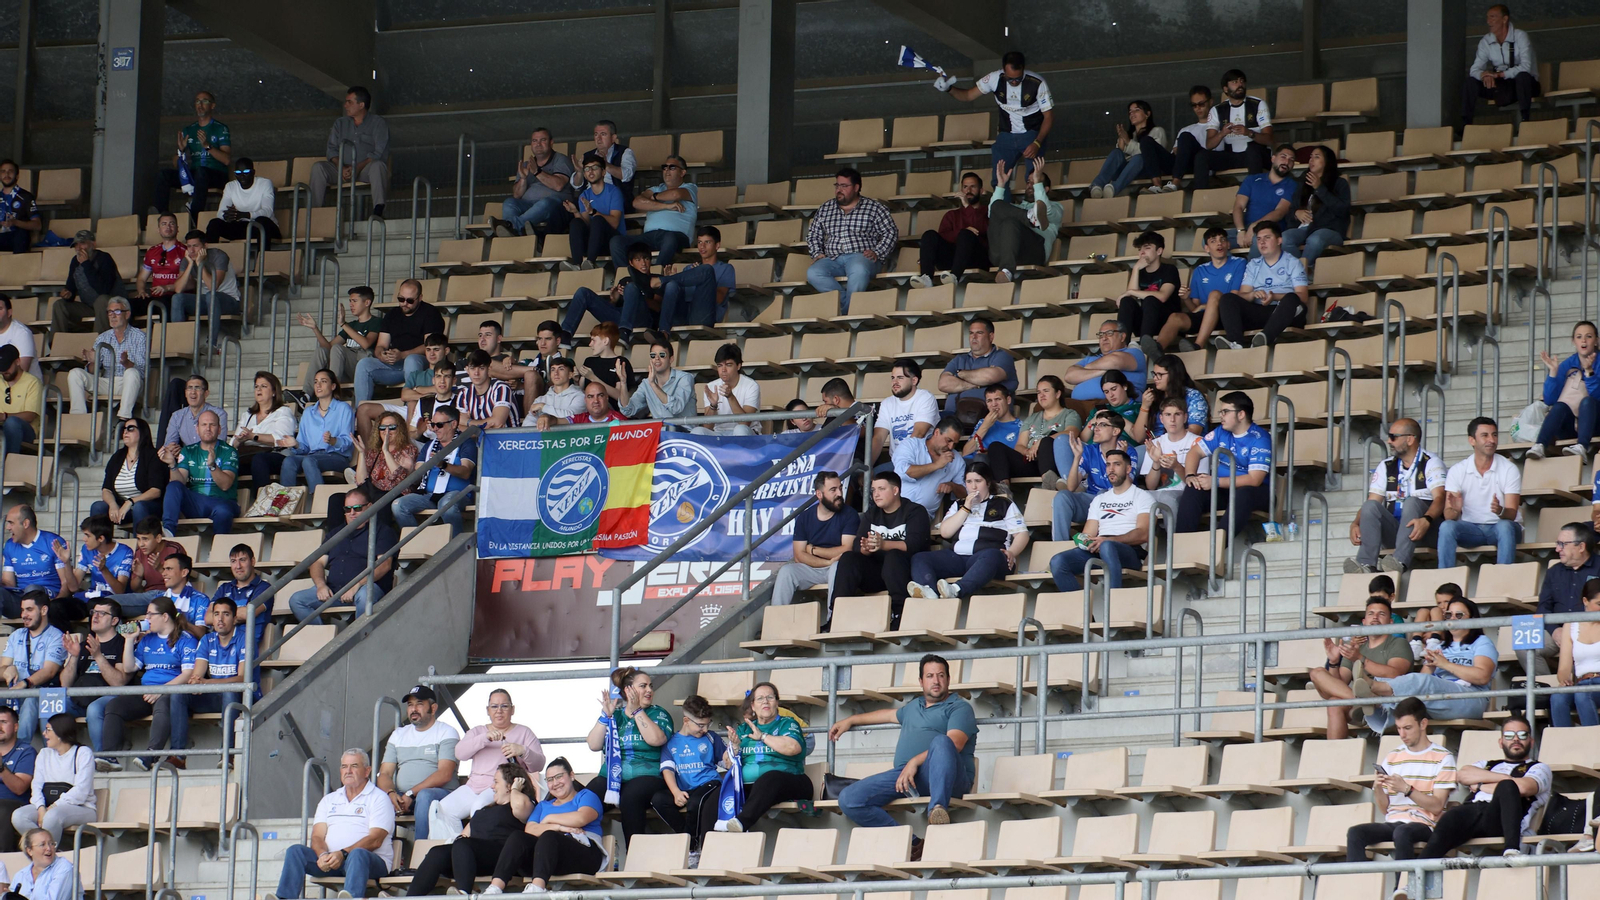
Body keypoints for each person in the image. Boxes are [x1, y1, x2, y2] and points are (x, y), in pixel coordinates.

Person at [832, 654, 977, 842]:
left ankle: (938, 810)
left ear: (948, 680)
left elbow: (954, 743)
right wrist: (851, 720)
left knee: (942, 742)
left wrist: (914, 761)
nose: (936, 681)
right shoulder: (913, 707)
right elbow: (886, 715)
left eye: (941, 675)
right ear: (921, 681)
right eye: (930, 676)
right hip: (906, 776)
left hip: (948, 777)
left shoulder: (959, 708)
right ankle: (911, 843)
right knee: (849, 799)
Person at [1413, 715, 1550, 896]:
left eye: (1522, 734)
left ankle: (1512, 851)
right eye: (1509, 735)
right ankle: (1416, 883)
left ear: (1531, 741)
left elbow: (1524, 787)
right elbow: (1462, 775)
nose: (1515, 739)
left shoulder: (1538, 767)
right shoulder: (1487, 764)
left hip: (1501, 820)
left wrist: (1482, 785)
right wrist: (1506, 779)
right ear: (1501, 742)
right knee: (1450, 817)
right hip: (1473, 812)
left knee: (1508, 787)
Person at [1344, 697, 1455, 869]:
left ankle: (1403, 889)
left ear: (1423, 724)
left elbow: (1436, 807)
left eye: (1408, 728)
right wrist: (1378, 788)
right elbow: (1384, 809)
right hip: (1394, 821)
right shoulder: (1393, 757)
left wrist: (1407, 789)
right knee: (1355, 833)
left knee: (1402, 832)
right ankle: (1358, 887)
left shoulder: (1443, 757)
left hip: (1426, 824)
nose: (1402, 734)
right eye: (1399, 728)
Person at [1360, 597, 1497, 736]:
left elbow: (1482, 676)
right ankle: (1377, 705)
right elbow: (1422, 679)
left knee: (1420, 684)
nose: (1453, 619)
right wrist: (1431, 666)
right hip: (1439, 699)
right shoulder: (1441, 646)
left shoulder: (1482, 642)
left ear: (1472, 618)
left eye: (1459, 615)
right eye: (1449, 615)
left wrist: (1446, 664)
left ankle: (1375, 689)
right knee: (1412, 702)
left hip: (1471, 697)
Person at [273, 748, 395, 899]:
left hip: (369, 863)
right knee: (295, 851)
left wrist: (343, 854)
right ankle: (284, 898)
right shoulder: (329, 799)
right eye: (344, 766)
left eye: (354, 766)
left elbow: (375, 840)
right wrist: (323, 855)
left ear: (367, 771)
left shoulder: (379, 798)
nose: (348, 771)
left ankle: (351, 897)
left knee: (357, 854)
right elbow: (317, 836)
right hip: (333, 861)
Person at [98, 597, 198, 768]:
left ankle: (151, 755)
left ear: (165, 616)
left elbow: (188, 674)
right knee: (114, 706)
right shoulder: (147, 639)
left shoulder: (186, 639)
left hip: (172, 691)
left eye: (151, 615)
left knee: (163, 704)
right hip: (147, 690)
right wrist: (129, 640)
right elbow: (129, 668)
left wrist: (162, 690)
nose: (147, 619)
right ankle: (109, 756)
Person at [404, 763, 532, 896]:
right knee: (437, 852)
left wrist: (516, 789)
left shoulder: (522, 804)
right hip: (471, 856)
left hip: (502, 857)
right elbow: (464, 835)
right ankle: (410, 898)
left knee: (464, 844)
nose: (492, 786)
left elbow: (520, 807)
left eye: (496, 782)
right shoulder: (486, 809)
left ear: (510, 785)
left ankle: (464, 894)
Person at [430, 689, 542, 840]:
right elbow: (459, 754)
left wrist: (523, 750)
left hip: (501, 788)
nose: (499, 711)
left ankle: (474, 850)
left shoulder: (524, 732)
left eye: (504, 706)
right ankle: (453, 847)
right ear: (488, 710)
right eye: (494, 706)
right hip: (473, 786)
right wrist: (484, 738)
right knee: (441, 810)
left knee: (479, 807)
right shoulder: (478, 731)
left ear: (512, 709)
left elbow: (539, 764)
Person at [482, 758, 607, 893]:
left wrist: (549, 819)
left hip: (584, 854)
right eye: (550, 780)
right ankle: (495, 888)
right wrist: (557, 827)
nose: (555, 783)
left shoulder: (585, 796)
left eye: (559, 777)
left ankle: (537, 889)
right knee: (518, 837)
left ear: (571, 776)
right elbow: (530, 829)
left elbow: (581, 818)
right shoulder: (543, 805)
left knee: (549, 836)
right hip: (548, 858)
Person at [908, 463, 1027, 600]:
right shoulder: (959, 504)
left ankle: (957, 590)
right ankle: (931, 593)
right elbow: (945, 532)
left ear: (988, 483)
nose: (973, 487)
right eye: (969, 482)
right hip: (958, 557)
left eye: (978, 481)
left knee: (992, 554)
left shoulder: (1004, 504)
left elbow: (1022, 534)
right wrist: (966, 507)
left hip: (990, 558)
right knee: (920, 558)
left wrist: (1012, 552)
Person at [584, 667, 672, 846]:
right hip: (612, 776)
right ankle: (581, 847)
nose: (649, 690)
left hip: (647, 776)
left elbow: (656, 739)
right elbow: (593, 744)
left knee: (630, 796)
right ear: (628, 690)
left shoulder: (658, 713)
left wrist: (637, 711)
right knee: (588, 795)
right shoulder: (615, 715)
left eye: (650, 686)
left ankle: (634, 855)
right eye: (643, 686)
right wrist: (605, 716)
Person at [1345, 418, 1444, 575]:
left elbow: (1440, 499)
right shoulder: (1386, 466)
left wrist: (1426, 520)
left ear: (1410, 439)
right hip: (1397, 533)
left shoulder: (1431, 462)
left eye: (1393, 437)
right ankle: (1366, 565)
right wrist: (1355, 523)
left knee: (1412, 502)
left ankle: (1399, 561)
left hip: (1426, 531)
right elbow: (1372, 501)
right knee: (1370, 506)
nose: (1388, 441)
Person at [160, 595, 250, 768]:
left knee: (230, 692)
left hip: (238, 698)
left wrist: (207, 684)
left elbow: (242, 678)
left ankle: (228, 754)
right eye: (216, 614)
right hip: (213, 696)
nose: (220, 619)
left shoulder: (243, 638)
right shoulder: (207, 640)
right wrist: (195, 682)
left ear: (234, 618)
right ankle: (178, 756)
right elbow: (198, 673)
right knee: (179, 695)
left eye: (226, 614)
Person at [1308, 597, 1416, 741]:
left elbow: (1395, 674)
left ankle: (1363, 701)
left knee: (1334, 700)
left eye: (1381, 614)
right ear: (1364, 622)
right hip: (1361, 707)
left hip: (1387, 704)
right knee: (1318, 675)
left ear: (1391, 622)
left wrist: (1360, 658)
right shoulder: (1355, 648)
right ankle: (1334, 755)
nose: (1375, 618)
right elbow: (1340, 682)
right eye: (1371, 614)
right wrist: (1334, 662)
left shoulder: (1398, 643)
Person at [832, 472, 931, 628]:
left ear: (895, 490)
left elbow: (915, 544)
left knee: (893, 556)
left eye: (881, 489)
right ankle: (837, 615)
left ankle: (900, 613)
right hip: (877, 575)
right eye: (873, 490)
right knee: (848, 557)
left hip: (906, 573)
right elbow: (858, 544)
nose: (875, 494)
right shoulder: (871, 514)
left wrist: (884, 544)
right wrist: (866, 548)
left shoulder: (914, 511)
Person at [288, 485, 396, 623]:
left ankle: (360, 639)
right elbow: (318, 562)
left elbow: (384, 565)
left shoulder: (382, 531)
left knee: (365, 596)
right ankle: (327, 641)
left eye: (357, 508)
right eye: (347, 509)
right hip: (334, 590)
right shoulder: (335, 533)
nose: (352, 513)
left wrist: (356, 586)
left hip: (364, 588)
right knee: (297, 600)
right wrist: (321, 585)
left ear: (369, 507)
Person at [1050, 448, 1152, 592]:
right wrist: (1085, 540)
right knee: (1058, 561)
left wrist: (1109, 540)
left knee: (1107, 546)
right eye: (1108, 465)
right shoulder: (1099, 499)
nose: (1111, 469)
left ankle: (1113, 607)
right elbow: (1088, 533)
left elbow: (1143, 534)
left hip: (1129, 552)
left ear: (1128, 469)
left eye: (1116, 464)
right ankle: (1082, 613)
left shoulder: (1142, 496)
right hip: (1100, 549)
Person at [721, 681, 812, 833]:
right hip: (750, 786)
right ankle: (704, 847)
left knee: (770, 778)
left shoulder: (787, 723)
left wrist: (762, 736)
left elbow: (793, 747)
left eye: (770, 697)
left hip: (790, 781)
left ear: (777, 702)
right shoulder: (744, 728)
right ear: (752, 705)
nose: (765, 701)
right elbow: (728, 764)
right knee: (718, 791)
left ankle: (742, 823)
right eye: (760, 698)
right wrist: (734, 746)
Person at [939, 51, 1053, 171]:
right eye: (1010, 78)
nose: (1014, 82)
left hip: (1031, 134)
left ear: (1023, 69)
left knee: (1033, 177)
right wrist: (948, 88)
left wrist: (1037, 142)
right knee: (998, 180)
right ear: (1003, 70)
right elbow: (967, 95)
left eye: (1018, 78)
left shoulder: (1037, 82)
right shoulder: (994, 78)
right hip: (1005, 135)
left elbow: (1049, 116)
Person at [1177, 391, 1271, 535]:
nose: (1221, 416)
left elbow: (1254, 480)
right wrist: (1190, 475)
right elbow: (1194, 452)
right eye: (1221, 411)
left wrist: (1215, 481)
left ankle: (1217, 547)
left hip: (1256, 493)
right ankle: (1182, 546)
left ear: (1241, 414)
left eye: (1225, 412)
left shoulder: (1260, 438)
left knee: (1243, 494)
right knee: (1193, 488)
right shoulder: (1221, 431)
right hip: (1224, 490)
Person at [805, 168, 898, 314]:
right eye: (837, 185)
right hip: (833, 258)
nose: (839, 190)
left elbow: (891, 232)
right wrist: (817, 252)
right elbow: (813, 234)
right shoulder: (826, 208)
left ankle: (847, 314)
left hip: (861, 257)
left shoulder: (874, 208)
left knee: (858, 270)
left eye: (844, 186)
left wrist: (878, 252)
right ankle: (849, 309)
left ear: (856, 187)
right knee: (813, 272)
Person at [378, 685, 460, 841]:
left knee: (424, 796)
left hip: (440, 795)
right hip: (403, 796)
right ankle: (383, 858)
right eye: (410, 705)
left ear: (433, 708)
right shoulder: (398, 734)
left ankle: (420, 856)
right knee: (376, 799)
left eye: (419, 704)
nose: (413, 709)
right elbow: (385, 774)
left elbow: (444, 774)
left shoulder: (446, 732)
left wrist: (411, 793)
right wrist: (391, 793)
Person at [1438, 417, 1522, 567]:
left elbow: (1512, 514)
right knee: (1447, 527)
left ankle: (1503, 580)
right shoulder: (1457, 470)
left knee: (1505, 526)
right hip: (1471, 529)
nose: (1491, 440)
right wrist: (1455, 510)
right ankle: (1445, 581)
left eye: (1494, 435)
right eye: (1485, 435)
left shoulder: (1509, 469)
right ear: (1472, 440)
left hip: (1501, 527)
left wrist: (1500, 510)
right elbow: (1448, 515)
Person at [1213, 221, 1310, 350]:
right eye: (1258, 239)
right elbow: (1243, 295)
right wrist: (1252, 295)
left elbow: (1303, 297)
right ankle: (1236, 343)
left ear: (1279, 240)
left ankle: (1264, 338)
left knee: (1292, 298)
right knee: (1227, 298)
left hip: (1284, 312)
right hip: (1260, 311)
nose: (1262, 242)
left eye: (1267, 238)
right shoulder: (1253, 264)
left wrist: (1275, 296)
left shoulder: (1293, 262)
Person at [770, 471, 858, 607]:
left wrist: (813, 550)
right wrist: (827, 562)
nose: (839, 494)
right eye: (833, 490)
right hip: (815, 568)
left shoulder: (850, 514)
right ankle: (775, 622)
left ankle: (832, 620)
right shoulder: (805, 517)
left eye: (840, 488)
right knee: (786, 572)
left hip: (839, 567)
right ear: (819, 494)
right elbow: (799, 555)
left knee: (837, 567)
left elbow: (847, 549)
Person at [655, 695, 726, 861]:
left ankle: (691, 849)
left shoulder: (711, 738)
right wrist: (675, 792)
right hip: (685, 789)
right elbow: (667, 770)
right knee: (658, 800)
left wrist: (734, 750)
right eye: (700, 725)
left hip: (709, 783)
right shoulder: (671, 741)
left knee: (696, 803)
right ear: (686, 720)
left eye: (708, 724)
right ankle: (690, 840)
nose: (705, 729)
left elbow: (726, 762)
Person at [354, 279, 446, 404]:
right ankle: (361, 411)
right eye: (401, 299)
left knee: (411, 359)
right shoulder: (392, 315)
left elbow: (431, 346)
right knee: (364, 364)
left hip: (422, 364)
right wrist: (383, 355)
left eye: (410, 300)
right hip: (395, 365)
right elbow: (381, 345)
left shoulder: (430, 313)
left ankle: (412, 409)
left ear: (420, 298)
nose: (404, 303)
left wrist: (403, 354)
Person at [60, 600, 126, 770]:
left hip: (109, 699)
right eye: (94, 612)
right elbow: (65, 684)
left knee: (94, 709)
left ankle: (105, 758)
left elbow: (119, 683)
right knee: (54, 702)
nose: (95, 616)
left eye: (102, 613)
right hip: (79, 699)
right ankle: (57, 758)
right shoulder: (83, 645)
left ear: (114, 621)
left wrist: (98, 656)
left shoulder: (123, 644)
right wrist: (73, 656)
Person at [8, 715, 93, 844]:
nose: (44, 733)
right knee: (19, 816)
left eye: (48, 729)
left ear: (60, 731)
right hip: (47, 805)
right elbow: (36, 786)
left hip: (82, 807)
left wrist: (52, 807)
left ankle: (50, 856)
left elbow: (81, 791)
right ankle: (48, 849)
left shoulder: (83, 753)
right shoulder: (44, 753)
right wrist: (41, 808)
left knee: (52, 817)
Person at [153, 91, 231, 230]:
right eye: (197, 101)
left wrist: (207, 146)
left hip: (216, 174)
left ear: (212, 106)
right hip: (196, 174)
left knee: (201, 172)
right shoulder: (189, 129)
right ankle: (163, 217)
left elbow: (226, 160)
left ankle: (195, 216)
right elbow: (175, 162)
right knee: (164, 175)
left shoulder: (220, 128)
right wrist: (181, 151)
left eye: (204, 101)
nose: (200, 105)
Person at [393, 407, 475, 536]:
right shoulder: (429, 445)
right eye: (432, 424)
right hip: (429, 495)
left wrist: (443, 465)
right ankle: (418, 544)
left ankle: (455, 547)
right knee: (398, 505)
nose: (435, 428)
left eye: (439, 425)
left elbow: (466, 472)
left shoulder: (466, 443)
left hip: (458, 495)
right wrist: (410, 468)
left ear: (453, 424)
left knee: (447, 504)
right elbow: (418, 476)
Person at [310, 86, 390, 217]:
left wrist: (357, 167)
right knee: (318, 167)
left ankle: (378, 209)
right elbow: (331, 149)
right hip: (341, 170)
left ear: (361, 105)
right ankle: (313, 212)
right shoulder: (339, 123)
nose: (345, 105)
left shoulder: (378, 123)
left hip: (365, 170)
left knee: (378, 166)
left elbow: (379, 153)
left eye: (350, 102)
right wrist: (340, 166)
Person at [986, 375, 1079, 487]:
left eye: (1046, 391)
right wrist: (1028, 451)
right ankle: (1003, 488)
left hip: (1054, 462)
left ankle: (1048, 483)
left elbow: (1071, 433)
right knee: (995, 446)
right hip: (1031, 462)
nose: (1041, 395)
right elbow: (1019, 445)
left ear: (1057, 394)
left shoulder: (1070, 414)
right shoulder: (1032, 418)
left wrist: (1040, 442)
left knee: (1047, 441)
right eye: (1039, 392)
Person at [1051, 410, 1132, 538]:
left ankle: (1098, 541)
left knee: (1103, 494)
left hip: (1121, 505)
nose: (1096, 429)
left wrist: (1120, 459)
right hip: (1092, 501)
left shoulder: (1128, 451)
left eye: (1102, 425)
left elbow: (1125, 488)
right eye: (1096, 425)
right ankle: (1059, 546)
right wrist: (1077, 457)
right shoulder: (1089, 450)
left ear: (1115, 431)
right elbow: (1071, 487)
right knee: (1062, 497)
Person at [158, 409, 239, 535]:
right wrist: (172, 465)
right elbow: (180, 482)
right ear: (197, 429)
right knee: (173, 485)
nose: (208, 428)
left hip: (221, 501)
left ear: (219, 429)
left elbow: (225, 485)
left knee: (224, 511)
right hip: (195, 502)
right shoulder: (188, 451)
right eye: (204, 425)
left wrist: (212, 466)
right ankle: (168, 532)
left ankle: (219, 549)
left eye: (212, 425)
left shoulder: (229, 451)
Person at [1529, 320, 1600, 462]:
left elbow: (1597, 396)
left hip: (1596, 424)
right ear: (1573, 341)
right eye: (1579, 337)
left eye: (1589, 336)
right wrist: (1553, 373)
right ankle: (1540, 445)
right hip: (1571, 427)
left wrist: (1589, 372)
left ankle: (1581, 447)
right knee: (1560, 406)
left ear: (1596, 341)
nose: (1584, 340)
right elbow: (1549, 400)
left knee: (1588, 401)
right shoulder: (1567, 364)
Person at [66, 296, 145, 419]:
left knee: (132, 373)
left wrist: (126, 363)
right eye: (110, 312)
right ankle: (78, 417)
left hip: (128, 382)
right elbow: (93, 371)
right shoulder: (102, 338)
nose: (113, 316)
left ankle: (123, 418)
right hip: (106, 382)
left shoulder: (139, 336)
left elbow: (142, 371)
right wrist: (93, 361)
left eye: (117, 311)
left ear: (127, 314)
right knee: (75, 373)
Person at [562, 242, 660, 341]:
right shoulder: (625, 280)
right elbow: (614, 310)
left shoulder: (657, 280)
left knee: (631, 288)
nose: (643, 263)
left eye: (646, 259)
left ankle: (624, 331)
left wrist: (636, 296)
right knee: (583, 292)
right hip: (621, 318)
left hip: (643, 318)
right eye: (638, 260)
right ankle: (565, 335)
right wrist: (614, 300)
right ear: (631, 263)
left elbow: (658, 307)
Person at [0, 593, 63, 743]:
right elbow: (2, 668)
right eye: (22, 610)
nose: (24, 615)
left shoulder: (55, 636)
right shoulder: (16, 635)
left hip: (41, 695)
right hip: (14, 693)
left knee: (31, 698)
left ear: (43, 610)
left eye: (29, 610)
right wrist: (7, 670)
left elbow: (50, 671)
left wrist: (25, 684)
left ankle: (19, 750)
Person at [1536, 522, 1600, 671]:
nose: (1557, 549)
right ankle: (1544, 690)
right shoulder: (1554, 571)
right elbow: (1543, 607)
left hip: (1592, 631)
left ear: (1581, 547)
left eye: (1562, 544)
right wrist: (1554, 631)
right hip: (1558, 631)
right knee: (1527, 648)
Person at [613, 155, 696, 268]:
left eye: (672, 167)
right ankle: (627, 278)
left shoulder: (690, 187)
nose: (667, 170)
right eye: (664, 167)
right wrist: (666, 206)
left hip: (676, 236)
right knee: (617, 241)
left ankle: (656, 274)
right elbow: (636, 202)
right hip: (649, 236)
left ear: (682, 172)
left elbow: (675, 194)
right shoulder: (656, 188)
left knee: (669, 238)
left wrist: (654, 197)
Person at [987, 158, 1061, 284]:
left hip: (1033, 253)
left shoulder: (1056, 207)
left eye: (1036, 182)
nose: (1030, 185)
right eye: (1028, 182)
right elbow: (992, 213)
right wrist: (1000, 185)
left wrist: (1037, 183)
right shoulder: (1015, 209)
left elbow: (1045, 208)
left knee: (1010, 222)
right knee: (996, 206)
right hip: (1002, 253)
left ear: (1046, 189)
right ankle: (1029, 218)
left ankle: (1006, 271)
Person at [491, 127, 576, 236]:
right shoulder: (526, 165)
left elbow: (558, 185)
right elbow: (517, 195)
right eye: (534, 141)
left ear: (551, 142)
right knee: (509, 202)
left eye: (543, 140)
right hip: (528, 205)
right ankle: (513, 229)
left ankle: (510, 227)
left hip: (555, 205)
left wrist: (537, 172)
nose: (538, 144)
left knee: (545, 203)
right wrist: (523, 178)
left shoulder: (561, 159)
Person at [298, 287, 380, 400]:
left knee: (338, 348)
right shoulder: (351, 325)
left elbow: (366, 344)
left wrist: (343, 324)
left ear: (367, 302)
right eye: (350, 301)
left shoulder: (376, 322)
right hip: (344, 370)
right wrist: (315, 328)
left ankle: (330, 392)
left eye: (354, 301)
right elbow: (328, 347)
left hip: (361, 369)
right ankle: (305, 395)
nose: (351, 305)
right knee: (321, 351)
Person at [1196, 68, 1272, 190]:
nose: (1240, 84)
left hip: (1256, 154)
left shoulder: (1258, 104)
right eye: (1234, 82)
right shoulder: (1217, 110)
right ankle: (1200, 197)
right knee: (1202, 156)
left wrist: (1249, 133)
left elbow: (1269, 140)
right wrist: (1222, 133)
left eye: (1242, 81)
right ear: (1225, 89)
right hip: (1232, 155)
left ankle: (1257, 195)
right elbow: (1209, 144)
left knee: (1253, 151)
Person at [1463, 4, 1539, 126]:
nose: (1489, 21)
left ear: (1505, 19)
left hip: (1525, 86)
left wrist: (1499, 75)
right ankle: (1466, 126)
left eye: (1493, 17)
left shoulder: (1520, 36)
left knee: (1523, 76)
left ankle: (1526, 121)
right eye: (1487, 18)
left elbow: (1526, 67)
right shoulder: (1485, 41)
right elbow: (1474, 69)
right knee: (1470, 82)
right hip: (1502, 88)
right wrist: (1484, 74)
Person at [1, 508, 75, 629]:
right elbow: (9, 583)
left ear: (25, 523)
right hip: (21, 601)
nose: (8, 528)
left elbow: (65, 583)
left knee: (32, 589)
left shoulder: (52, 542)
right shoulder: (10, 545)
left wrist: (55, 603)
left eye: (11, 523)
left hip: (49, 598)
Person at [912, 171, 989, 289]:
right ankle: (926, 277)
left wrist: (967, 206)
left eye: (973, 187)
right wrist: (961, 232)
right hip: (952, 259)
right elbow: (943, 236)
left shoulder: (988, 211)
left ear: (981, 190)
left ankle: (955, 276)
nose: (968, 190)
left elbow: (981, 229)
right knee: (930, 235)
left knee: (966, 234)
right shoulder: (952, 215)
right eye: (965, 187)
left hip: (977, 258)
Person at [280, 369, 354, 489]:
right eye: (315, 382)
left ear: (333, 386)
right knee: (289, 461)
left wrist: (333, 441)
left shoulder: (343, 408)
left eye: (323, 381)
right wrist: (296, 444)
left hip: (337, 457)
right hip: (312, 455)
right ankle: (285, 501)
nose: (318, 385)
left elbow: (348, 441)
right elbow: (304, 447)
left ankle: (317, 499)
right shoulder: (308, 412)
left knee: (309, 460)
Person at [1115, 231, 1183, 359]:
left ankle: (1145, 344)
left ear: (1159, 251)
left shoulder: (1169, 270)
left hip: (1166, 322)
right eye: (1140, 249)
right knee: (1127, 302)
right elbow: (1130, 298)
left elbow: (1162, 296)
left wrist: (1130, 292)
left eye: (1147, 248)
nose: (1142, 253)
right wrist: (1135, 269)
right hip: (1146, 321)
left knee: (1151, 299)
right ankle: (1122, 346)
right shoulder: (1139, 272)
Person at [168, 230, 242, 350]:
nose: (191, 250)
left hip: (229, 301)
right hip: (205, 301)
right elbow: (178, 289)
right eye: (189, 246)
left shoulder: (219, 256)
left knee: (210, 295)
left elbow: (213, 287)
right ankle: (180, 345)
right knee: (177, 298)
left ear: (205, 246)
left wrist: (200, 263)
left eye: (196, 246)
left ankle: (211, 344)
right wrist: (190, 265)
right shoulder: (187, 260)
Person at [656, 226, 737, 330]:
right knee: (672, 284)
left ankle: (660, 281)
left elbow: (719, 299)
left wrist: (701, 278)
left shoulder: (726, 268)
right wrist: (673, 279)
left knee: (706, 271)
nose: (702, 246)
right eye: (699, 242)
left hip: (702, 316)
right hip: (683, 316)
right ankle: (663, 331)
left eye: (707, 242)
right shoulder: (689, 269)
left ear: (717, 245)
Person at [1282, 145, 1349, 266]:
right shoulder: (1303, 183)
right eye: (1310, 157)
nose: (1311, 160)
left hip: (1329, 229)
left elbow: (1342, 210)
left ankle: (1299, 275)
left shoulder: (1340, 183)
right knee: (1285, 238)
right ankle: (1303, 273)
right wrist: (1296, 213)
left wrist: (1319, 188)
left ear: (1327, 161)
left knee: (1315, 239)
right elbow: (1291, 210)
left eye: (1316, 157)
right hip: (1304, 228)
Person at [1090, 100, 1171, 199]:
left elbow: (1153, 154)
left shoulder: (1157, 131)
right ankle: (1097, 186)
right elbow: (1119, 158)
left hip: (1145, 171)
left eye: (1136, 110)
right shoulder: (1129, 135)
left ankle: (1114, 189)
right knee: (1116, 152)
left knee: (1139, 158)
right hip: (1126, 172)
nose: (1132, 114)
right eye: (1130, 112)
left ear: (1147, 114)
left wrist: (1128, 142)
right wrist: (1121, 144)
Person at [938, 317, 1018, 416]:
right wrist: (976, 384)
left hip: (989, 417)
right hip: (953, 417)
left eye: (979, 333)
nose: (974, 337)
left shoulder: (1002, 356)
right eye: (971, 333)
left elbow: (989, 377)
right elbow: (943, 384)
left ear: (991, 336)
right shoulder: (959, 359)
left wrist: (959, 375)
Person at [1228, 144, 1298, 256]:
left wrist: (1255, 226)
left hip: (1271, 232)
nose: (1286, 162)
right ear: (1273, 158)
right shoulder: (1252, 180)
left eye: (1291, 160)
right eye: (1283, 157)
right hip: (1246, 229)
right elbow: (1238, 207)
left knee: (1259, 242)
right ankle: (1236, 269)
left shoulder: (1292, 185)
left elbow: (1279, 212)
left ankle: (1252, 273)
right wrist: (1240, 231)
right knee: (1211, 240)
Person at [1185, 227, 1250, 348]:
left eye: (1223, 239)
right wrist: (1185, 299)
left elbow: (1233, 296)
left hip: (1228, 315)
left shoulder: (1240, 263)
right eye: (1213, 241)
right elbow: (1194, 308)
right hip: (1204, 318)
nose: (1219, 243)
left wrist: (1206, 306)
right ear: (1206, 248)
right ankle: (1156, 349)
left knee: (1214, 294)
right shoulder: (1200, 270)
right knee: (1175, 318)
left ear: (1228, 244)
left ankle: (1198, 345)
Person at [233, 371, 299, 488]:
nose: (259, 390)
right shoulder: (247, 415)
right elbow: (234, 442)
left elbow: (281, 439)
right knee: (227, 463)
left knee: (259, 460)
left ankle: (262, 499)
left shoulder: (283, 412)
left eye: (263, 386)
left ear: (274, 392)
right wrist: (240, 439)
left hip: (276, 455)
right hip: (249, 455)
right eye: (256, 386)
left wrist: (253, 436)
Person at [107, 518, 184, 617]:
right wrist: (139, 576)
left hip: (170, 596)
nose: (141, 544)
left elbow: (180, 582)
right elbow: (135, 588)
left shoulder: (174, 549)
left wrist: (160, 568)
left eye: (145, 539)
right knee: (107, 604)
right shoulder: (140, 553)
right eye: (138, 539)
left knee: (110, 606)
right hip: (147, 597)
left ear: (158, 538)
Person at [50, 231, 121, 334]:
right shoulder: (75, 261)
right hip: (88, 307)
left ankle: (98, 346)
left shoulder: (104, 258)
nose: (79, 248)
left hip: (111, 306)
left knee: (101, 300)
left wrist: (86, 264)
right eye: (76, 245)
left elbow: (104, 289)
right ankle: (55, 345)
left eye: (82, 243)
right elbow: (71, 288)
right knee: (59, 305)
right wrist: (67, 294)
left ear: (93, 244)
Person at [871, 361, 939, 468]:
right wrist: (867, 468)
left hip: (921, 462)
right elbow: (878, 438)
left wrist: (901, 464)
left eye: (900, 378)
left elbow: (919, 433)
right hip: (896, 463)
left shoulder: (925, 398)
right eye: (892, 378)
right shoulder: (886, 403)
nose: (895, 382)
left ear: (914, 380)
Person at [894, 416, 966, 517]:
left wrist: (952, 486)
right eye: (948, 440)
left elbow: (964, 495)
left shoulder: (957, 460)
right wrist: (936, 465)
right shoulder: (910, 445)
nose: (950, 447)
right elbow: (904, 472)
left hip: (922, 516)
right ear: (936, 432)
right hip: (894, 510)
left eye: (954, 444)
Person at [1551, 578, 1600, 727]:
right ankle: (1565, 747)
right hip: (1581, 682)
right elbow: (1564, 667)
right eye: (1599, 604)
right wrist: (1564, 679)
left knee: (1583, 694)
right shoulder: (1571, 625)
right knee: (1558, 698)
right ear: (1585, 601)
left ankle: (1594, 746)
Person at [566, 152, 627, 269]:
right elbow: (586, 223)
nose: (590, 171)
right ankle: (577, 264)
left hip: (612, 242)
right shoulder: (584, 195)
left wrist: (593, 212)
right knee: (576, 222)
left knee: (598, 219)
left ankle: (590, 262)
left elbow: (614, 223)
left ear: (603, 172)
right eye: (587, 169)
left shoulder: (614, 192)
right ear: (584, 174)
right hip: (593, 242)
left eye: (595, 168)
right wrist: (575, 212)